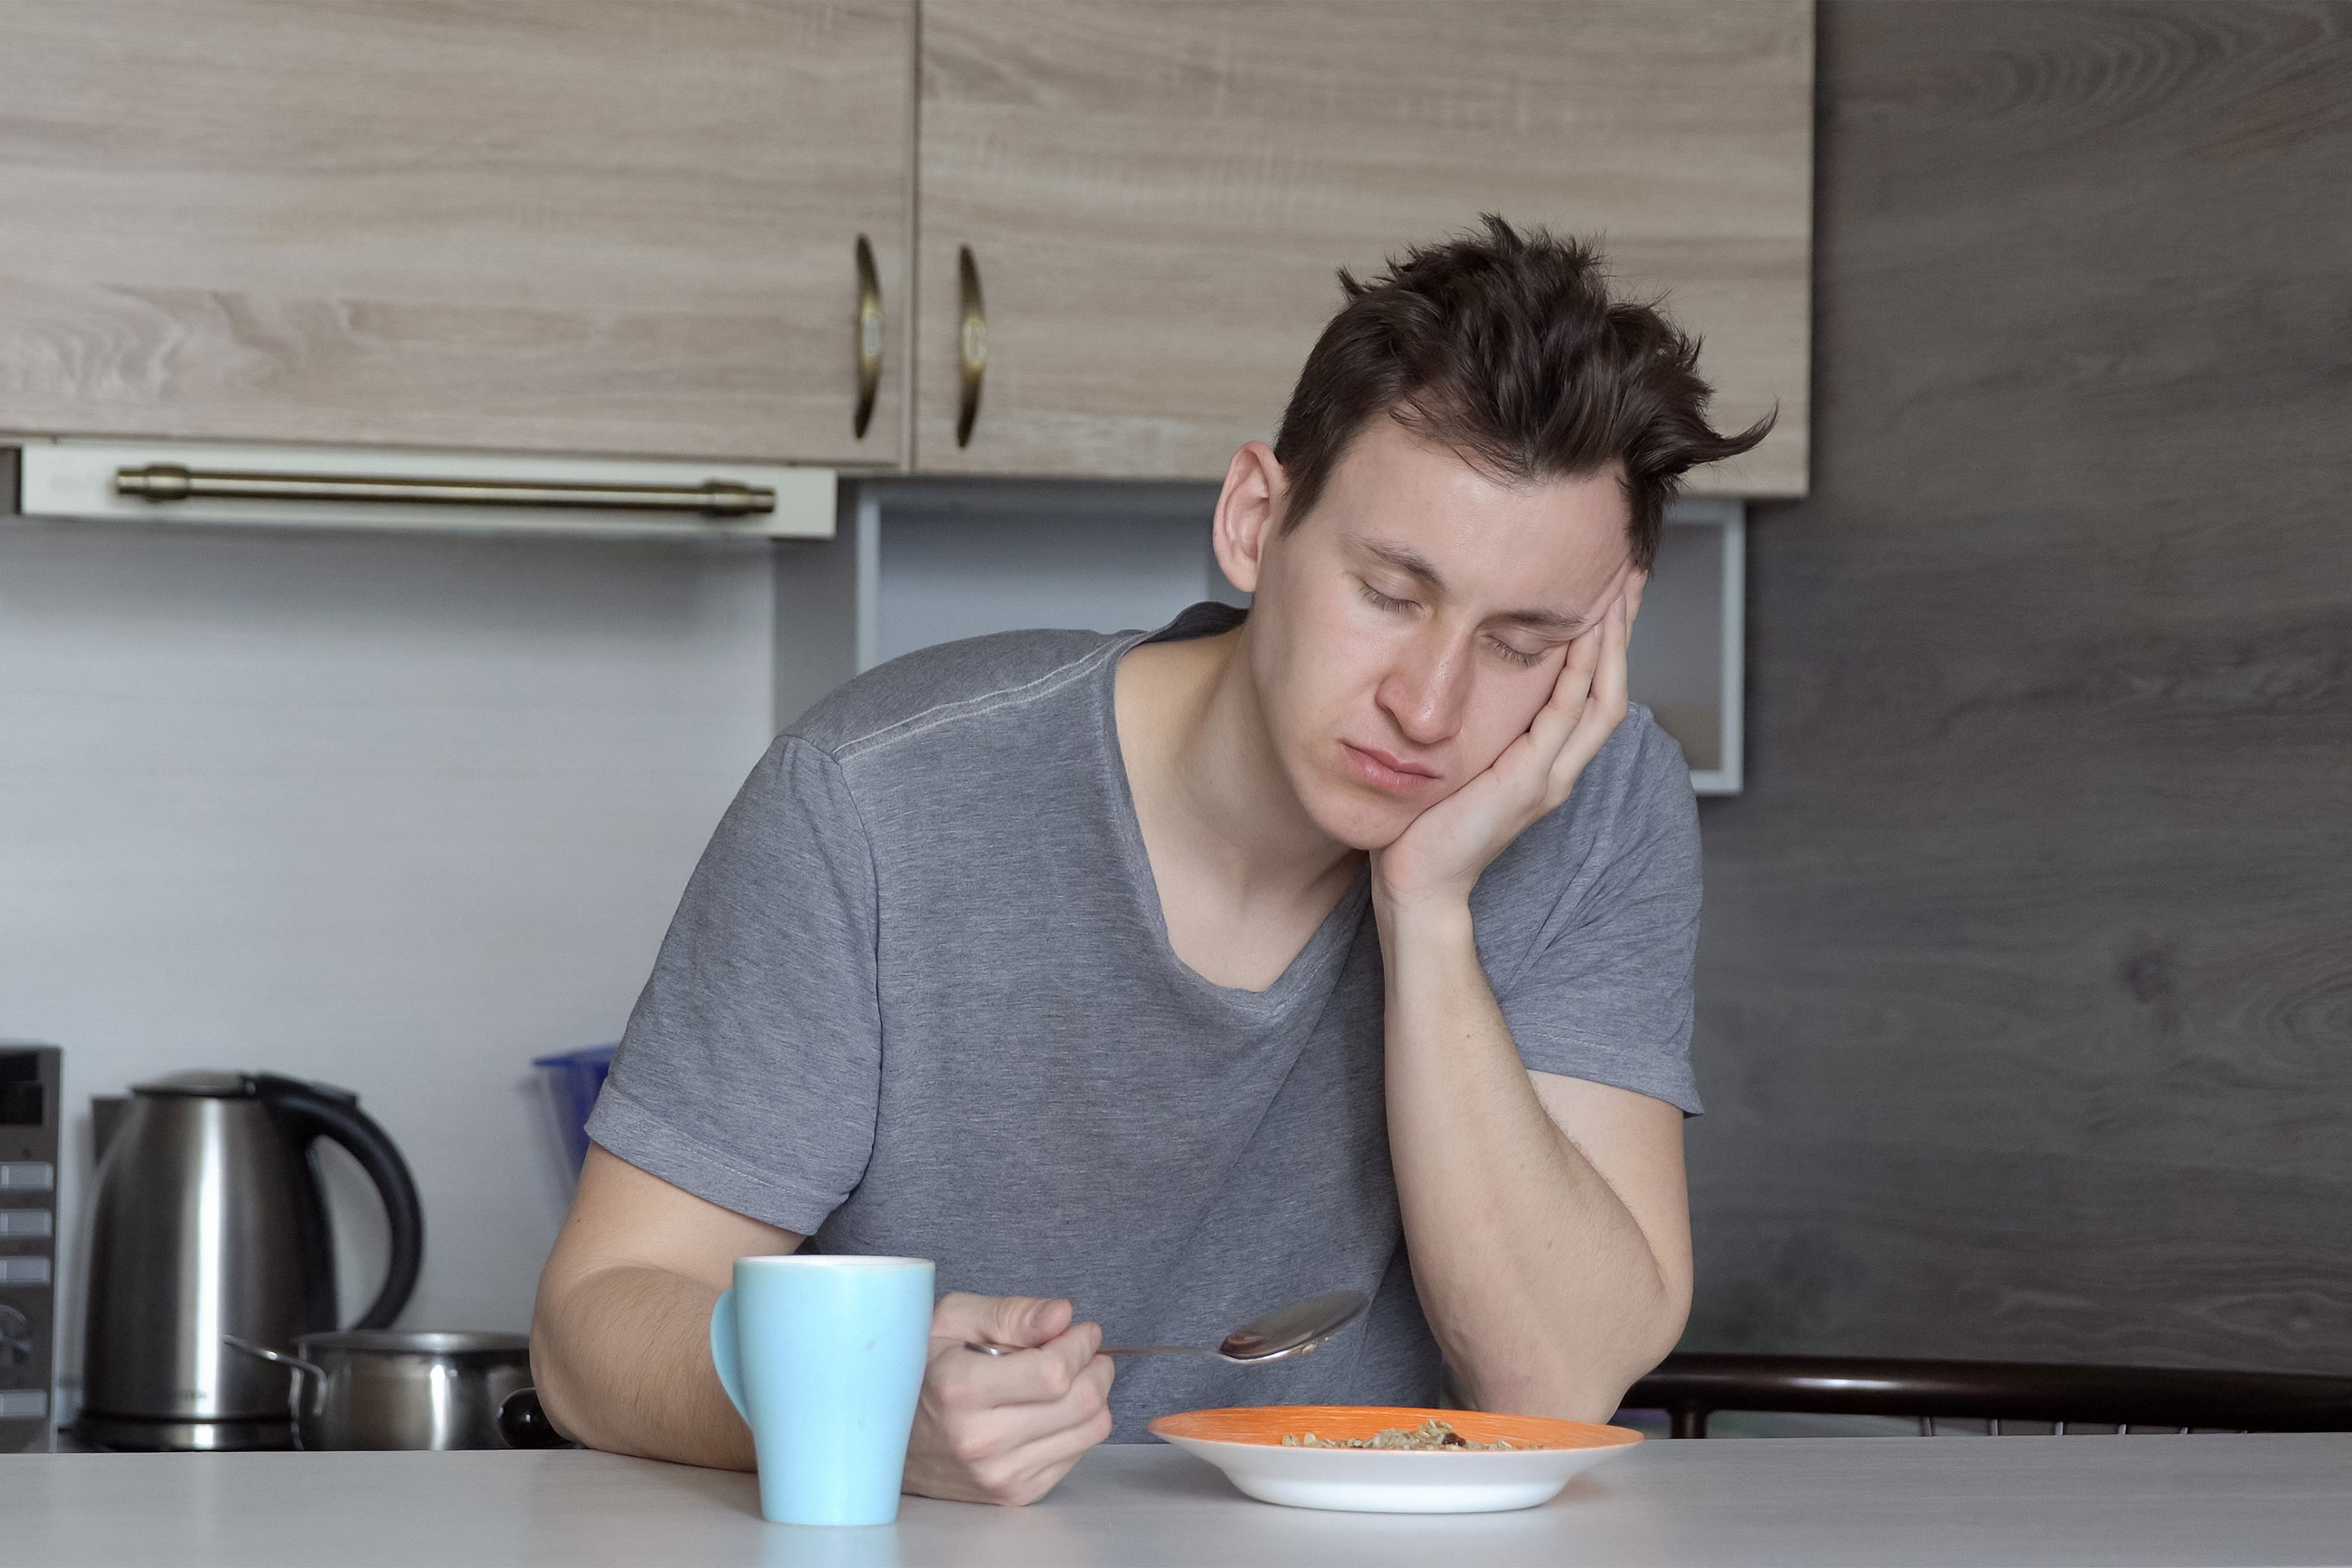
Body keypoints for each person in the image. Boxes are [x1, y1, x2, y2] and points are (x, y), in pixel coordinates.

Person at [531, 216, 1769, 1505]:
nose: (1429, 705)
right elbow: (593, 1324)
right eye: (1390, 595)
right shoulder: (877, 795)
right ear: (1254, 519)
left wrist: (1429, 906)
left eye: (1520, 644)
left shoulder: (1595, 801)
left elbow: (1551, 1384)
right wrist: (863, 1409)